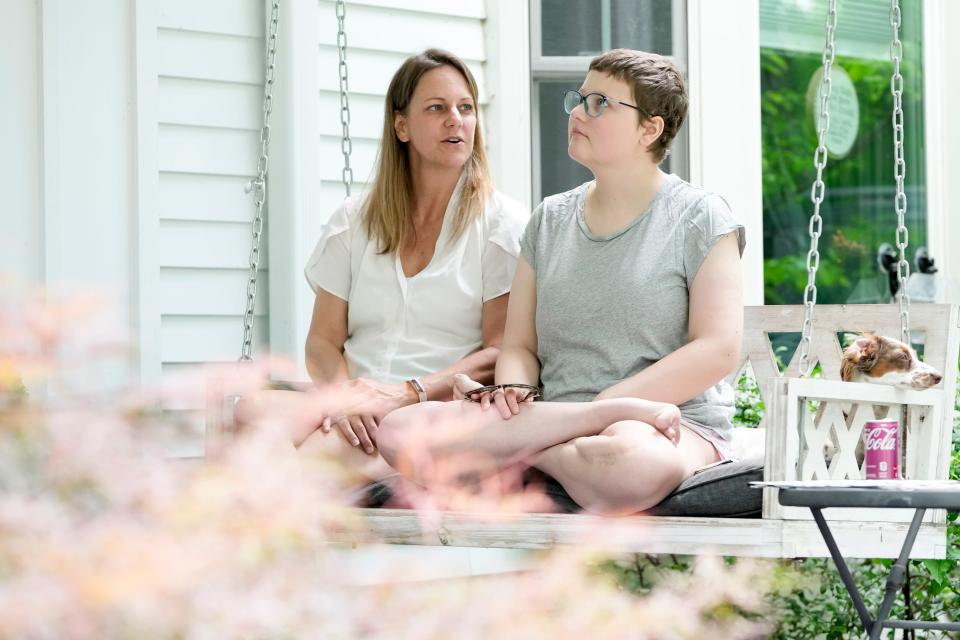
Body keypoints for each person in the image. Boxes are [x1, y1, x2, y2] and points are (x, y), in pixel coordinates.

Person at [377, 49, 745, 516]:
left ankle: (527, 454)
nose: (577, 112)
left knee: (631, 466)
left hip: (663, 424)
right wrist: (514, 393)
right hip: (551, 418)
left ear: (649, 129)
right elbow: (520, 347)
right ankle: (550, 445)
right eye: (579, 98)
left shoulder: (700, 217)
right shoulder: (549, 219)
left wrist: (614, 405)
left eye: (600, 104)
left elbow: (717, 350)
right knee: (400, 431)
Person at [242, 49, 528, 485]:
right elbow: (322, 342)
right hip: (353, 403)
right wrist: (342, 401)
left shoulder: (501, 225)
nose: (456, 119)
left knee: (300, 467)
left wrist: (402, 393)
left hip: (432, 412)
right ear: (401, 126)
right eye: (437, 108)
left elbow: (498, 353)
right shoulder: (354, 221)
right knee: (251, 410)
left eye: (465, 108)